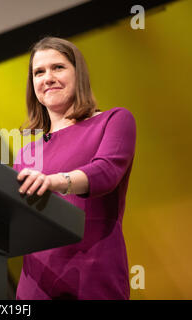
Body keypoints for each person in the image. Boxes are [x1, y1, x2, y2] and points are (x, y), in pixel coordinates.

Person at [13, 37, 136, 300]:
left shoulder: (114, 120)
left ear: (78, 75)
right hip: (36, 284)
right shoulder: (26, 154)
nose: (47, 78)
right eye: (39, 72)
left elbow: (105, 172)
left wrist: (53, 181)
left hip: (92, 275)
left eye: (58, 67)